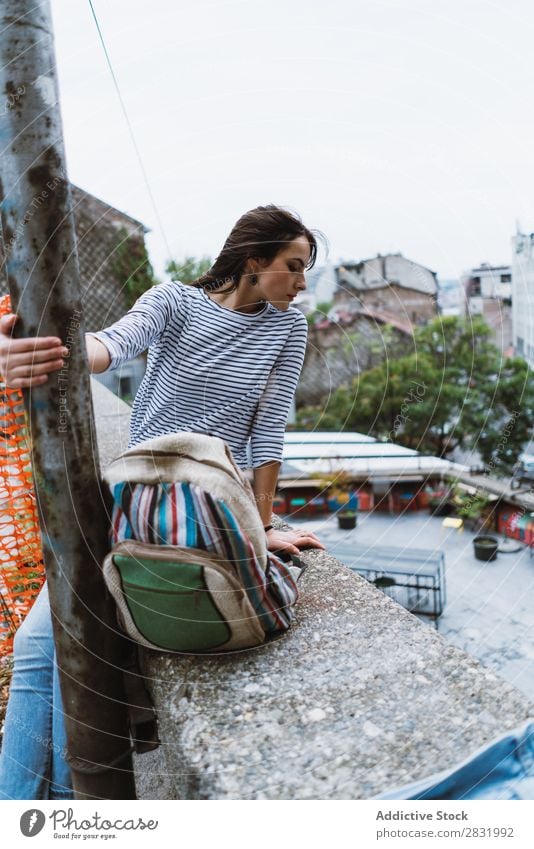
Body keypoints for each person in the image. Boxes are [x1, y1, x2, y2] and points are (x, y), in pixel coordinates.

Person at [0, 204, 326, 799]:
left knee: (51, 653)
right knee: (40, 648)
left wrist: (258, 526)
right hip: (133, 502)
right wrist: (39, 349)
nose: (303, 284)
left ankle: (42, 814)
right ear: (254, 261)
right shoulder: (172, 302)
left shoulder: (287, 327)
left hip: (206, 512)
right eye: (294, 266)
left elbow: (268, 430)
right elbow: (107, 346)